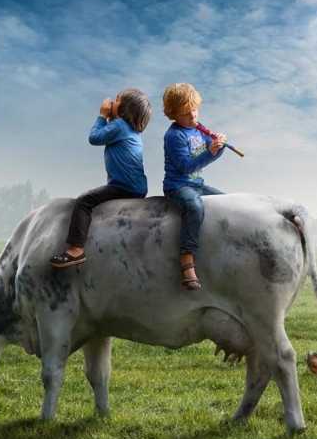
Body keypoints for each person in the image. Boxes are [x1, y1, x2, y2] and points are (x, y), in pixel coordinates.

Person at [50, 88, 152, 268]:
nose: (111, 101)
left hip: (123, 186)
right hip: (138, 187)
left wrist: (102, 116)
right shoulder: (131, 130)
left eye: (117, 99)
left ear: (124, 109)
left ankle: (75, 250)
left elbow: (94, 138)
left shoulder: (119, 126)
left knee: (84, 201)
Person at [161, 83, 227, 290]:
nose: (192, 116)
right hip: (178, 185)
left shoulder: (198, 128)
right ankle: (186, 258)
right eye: (185, 113)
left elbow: (212, 153)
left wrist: (219, 146)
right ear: (173, 114)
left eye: (194, 110)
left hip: (198, 184)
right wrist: (211, 152)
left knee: (227, 202)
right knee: (194, 207)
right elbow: (185, 167)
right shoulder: (174, 135)